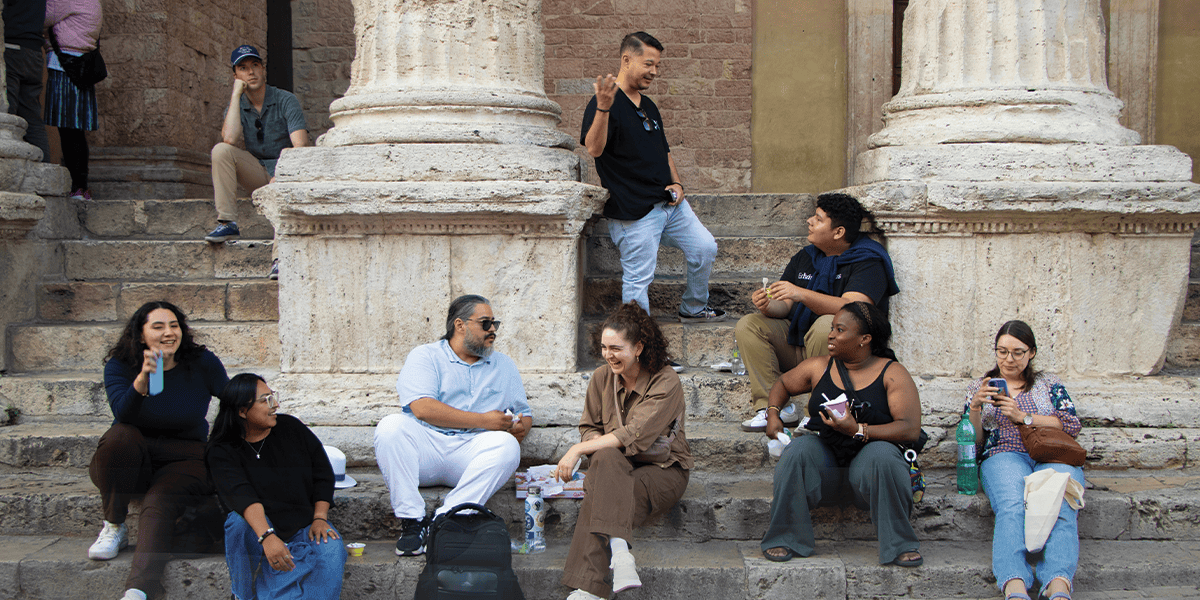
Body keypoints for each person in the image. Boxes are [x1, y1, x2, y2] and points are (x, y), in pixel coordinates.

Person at [760, 301, 923, 568]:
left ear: (864, 339)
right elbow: (783, 383)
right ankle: (785, 536)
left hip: (869, 472)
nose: (831, 335)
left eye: (840, 330)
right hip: (825, 467)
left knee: (883, 456)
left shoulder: (892, 373)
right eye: (832, 328)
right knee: (797, 452)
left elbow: (909, 428)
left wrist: (857, 430)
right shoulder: (820, 367)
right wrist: (773, 413)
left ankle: (900, 543)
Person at [580, 31, 726, 324]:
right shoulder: (604, 103)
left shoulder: (648, 105)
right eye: (648, 64)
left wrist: (678, 183)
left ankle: (694, 307)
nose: (654, 71)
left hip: (669, 205)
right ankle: (639, 342)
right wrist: (604, 107)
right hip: (634, 211)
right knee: (638, 281)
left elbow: (665, 151)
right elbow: (594, 149)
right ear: (626, 60)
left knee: (704, 248)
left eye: (657, 65)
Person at [90, 301, 230, 600]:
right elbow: (123, 414)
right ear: (140, 335)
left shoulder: (201, 362)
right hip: (134, 458)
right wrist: (143, 378)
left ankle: (137, 590)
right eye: (158, 327)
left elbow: (232, 399)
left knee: (159, 501)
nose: (169, 333)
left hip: (186, 457)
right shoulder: (120, 365)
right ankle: (114, 524)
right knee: (119, 436)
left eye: (174, 325)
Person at [374, 294, 532, 556]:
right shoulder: (425, 356)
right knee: (390, 427)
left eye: (495, 323)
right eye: (485, 323)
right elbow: (422, 408)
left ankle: (445, 519)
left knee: (507, 446)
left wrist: (518, 428)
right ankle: (412, 521)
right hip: (427, 449)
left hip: (471, 455)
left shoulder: (504, 365)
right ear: (460, 325)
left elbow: (524, 413)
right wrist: (484, 420)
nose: (493, 330)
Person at [555, 302, 691, 600]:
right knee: (605, 458)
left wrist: (578, 449)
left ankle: (589, 588)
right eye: (604, 348)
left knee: (602, 490)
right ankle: (621, 556)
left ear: (639, 347)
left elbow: (635, 434)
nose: (608, 355)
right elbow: (589, 426)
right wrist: (592, 442)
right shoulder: (601, 378)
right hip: (615, 466)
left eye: (616, 348)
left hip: (663, 470)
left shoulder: (665, 380)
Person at [735, 192, 899, 432]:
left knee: (831, 324)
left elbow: (856, 309)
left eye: (819, 219)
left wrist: (801, 294)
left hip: (846, 354)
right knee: (750, 324)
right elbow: (785, 306)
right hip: (798, 343)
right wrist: (768, 305)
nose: (809, 221)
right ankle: (774, 407)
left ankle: (816, 413)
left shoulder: (868, 260)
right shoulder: (807, 256)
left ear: (838, 232)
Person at [965, 321, 1082, 600]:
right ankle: (1014, 584)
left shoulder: (1048, 383)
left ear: (1032, 353)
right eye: (1002, 351)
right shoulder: (980, 386)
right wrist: (975, 407)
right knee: (1012, 505)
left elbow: (1070, 424)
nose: (1009, 359)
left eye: (1018, 352)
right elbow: (975, 441)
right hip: (1003, 454)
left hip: (1051, 453)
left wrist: (1022, 417)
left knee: (1062, 502)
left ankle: (1058, 583)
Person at [206, 374, 346, 600]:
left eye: (273, 397)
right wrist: (267, 537)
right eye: (265, 400)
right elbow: (241, 495)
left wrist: (320, 517)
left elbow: (322, 473)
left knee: (332, 548)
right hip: (258, 529)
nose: (275, 405)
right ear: (242, 411)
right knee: (237, 523)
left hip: (303, 525)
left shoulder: (291, 427)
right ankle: (241, 596)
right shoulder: (222, 450)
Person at [205, 44, 309, 255]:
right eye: (243, 68)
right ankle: (228, 222)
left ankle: (279, 260)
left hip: (287, 172)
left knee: (282, 195)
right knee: (220, 150)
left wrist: (282, 175)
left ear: (263, 69)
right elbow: (230, 138)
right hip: (258, 171)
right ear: (236, 75)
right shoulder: (238, 105)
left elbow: (300, 146)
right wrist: (236, 95)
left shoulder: (285, 99)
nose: (250, 72)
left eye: (255, 65)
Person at [44, 0, 101, 200]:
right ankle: (81, 186)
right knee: (76, 131)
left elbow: (42, 17)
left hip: (65, 67)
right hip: (80, 66)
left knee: (69, 130)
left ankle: (77, 186)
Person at [4, 0, 50, 161]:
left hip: (12, 47)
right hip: (35, 52)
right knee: (33, 120)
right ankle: (45, 168)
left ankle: (8, 167)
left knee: (7, 114)